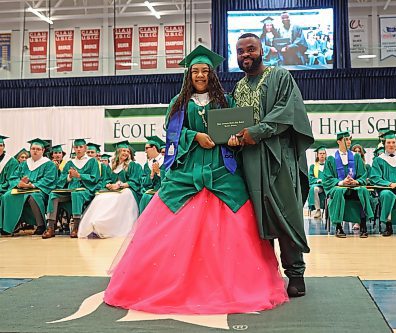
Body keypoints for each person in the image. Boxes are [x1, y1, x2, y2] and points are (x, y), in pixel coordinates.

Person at [104, 45, 288, 314]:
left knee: (237, 221)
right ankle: (165, 285)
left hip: (220, 169)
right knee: (167, 223)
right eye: (195, 71)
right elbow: (173, 135)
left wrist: (235, 138)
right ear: (188, 75)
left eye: (205, 71)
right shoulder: (178, 103)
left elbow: (235, 131)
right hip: (188, 169)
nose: (200, 75)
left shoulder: (226, 101)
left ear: (211, 74)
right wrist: (196, 137)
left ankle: (234, 286)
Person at [233, 33, 314, 297]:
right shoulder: (238, 88)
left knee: (285, 213)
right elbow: (232, 122)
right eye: (241, 51)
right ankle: (265, 274)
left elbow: (285, 112)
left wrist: (256, 132)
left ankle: (295, 273)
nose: (246, 55)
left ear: (262, 50)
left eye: (251, 49)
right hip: (249, 159)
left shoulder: (280, 77)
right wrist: (233, 137)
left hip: (278, 156)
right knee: (256, 218)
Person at [78, 141, 142, 238]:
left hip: (127, 190)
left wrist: (120, 185)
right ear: (118, 152)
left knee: (123, 196)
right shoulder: (112, 166)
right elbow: (105, 179)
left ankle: (108, 226)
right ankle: (96, 223)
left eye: (128, 151)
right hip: (113, 190)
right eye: (123, 150)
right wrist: (109, 185)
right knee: (101, 197)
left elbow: (135, 181)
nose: (126, 153)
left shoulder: (133, 165)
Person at [43, 139, 101, 239]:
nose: (78, 149)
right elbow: (61, 179)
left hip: (85, 190)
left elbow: (94, 178)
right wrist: (69, 177)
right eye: (76, 147)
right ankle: (50, 227)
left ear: (85, 148)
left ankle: (76, 227)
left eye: (81, 147)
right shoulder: (70, 162)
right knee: (53, 195)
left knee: (76, 194)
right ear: (73, 148)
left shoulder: (92, 162)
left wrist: (79, 175)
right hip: (69, 190)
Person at [322, 131, 374, 238]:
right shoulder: (331, 158)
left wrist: (357, 181)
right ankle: (338, 227)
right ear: (339, 141)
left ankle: (363, 226)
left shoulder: (356, 157)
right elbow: (327, 179)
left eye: (349, 139)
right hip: (339, 187)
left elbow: (363, 175)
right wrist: (341, 182)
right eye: (346, 139)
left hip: (354, 187)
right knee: (338, 191)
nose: (349, 142)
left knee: (363, 191)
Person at [0, 139, 57, 235]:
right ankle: (7, 227)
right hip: (21, 189)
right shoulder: (24, 164)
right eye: (33, 149)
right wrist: (19, 183)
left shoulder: (49, 164)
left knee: (32, 196)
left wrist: (33, 185)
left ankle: (40, 225)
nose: (35, 151)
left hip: (39, 190)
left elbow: (49, 180)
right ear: (30, 150)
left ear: (43, 151)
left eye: (38, 149)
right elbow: (14, 177)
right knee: (6, 196)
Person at [139, 136, 165, 214]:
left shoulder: (166, 161)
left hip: (164, 188)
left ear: (153, 148)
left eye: (147, 148)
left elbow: (171, 177)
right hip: (152, 190)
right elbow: (144, 183)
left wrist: (159, 172)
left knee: (150, 197)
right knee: (145, 196)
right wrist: (152, 174)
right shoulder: (147, 165)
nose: (145, 151)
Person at [307, 146, 327, 218]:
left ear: (325, 155)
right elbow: (311, 177)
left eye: (323, 153)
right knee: (314, 189)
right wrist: (317, 180)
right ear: (317, 155)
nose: (322, 155)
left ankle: (331, 211)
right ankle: (318, 210)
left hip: (328, 185)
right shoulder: (313, 166)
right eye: (320, 153)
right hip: (319, 186)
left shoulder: (329, 165)